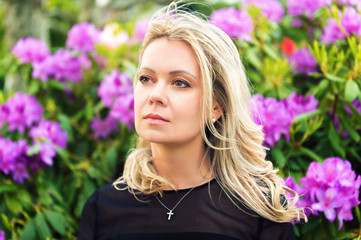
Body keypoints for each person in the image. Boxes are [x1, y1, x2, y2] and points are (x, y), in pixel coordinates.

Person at [78, 2, 306, 240]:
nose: (155, 95)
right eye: (146, 78)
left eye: (180, 82)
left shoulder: (259, 211)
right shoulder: (102, 210)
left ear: (215, 106)